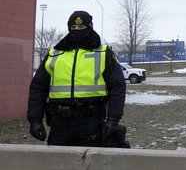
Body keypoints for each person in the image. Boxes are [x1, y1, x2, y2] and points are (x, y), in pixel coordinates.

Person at [27, 10, 126, 146]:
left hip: (91, 122)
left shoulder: (104, 53)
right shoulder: (55, 54)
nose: (77, 30)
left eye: (81, 27)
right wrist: (35, 119)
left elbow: (117, 88)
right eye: (73, 27)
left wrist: (113, 120)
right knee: (58, 163)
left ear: (90, 28)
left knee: (90, 164)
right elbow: (38, 88)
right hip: (60, 123)